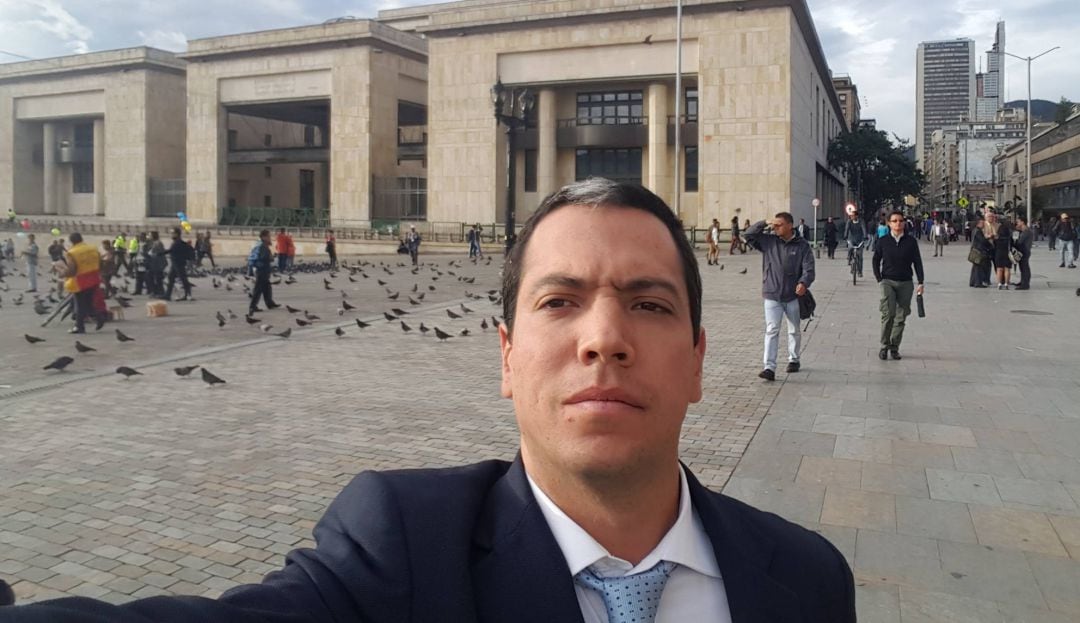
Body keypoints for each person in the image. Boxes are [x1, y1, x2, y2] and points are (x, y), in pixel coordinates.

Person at [0, 179, 854, 622]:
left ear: (699, 362)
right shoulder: (399, 556)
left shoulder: (808, 581)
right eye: (559, 301)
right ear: (507, 355)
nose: (604, 338)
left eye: (650, 303)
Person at [744, 212, 815, 381]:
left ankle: (794, 359)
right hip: (772, 293)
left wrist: (803, 283)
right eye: (774, 225)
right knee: (772, 330)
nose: (775, 228)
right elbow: (748, 235)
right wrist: (764, 222)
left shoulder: (802, 245)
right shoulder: (769, 241)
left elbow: (809, 268)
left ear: (790, 225)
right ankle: (769, 367)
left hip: (793, 295)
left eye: (779, 225)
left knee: (794, 329)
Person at [872, 210, 924, 361]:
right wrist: (879, 279)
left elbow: (917, 261)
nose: (898, 224)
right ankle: (884, 346)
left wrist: (921, 281)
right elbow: (876, 259)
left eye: (901, 221)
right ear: (889, 223)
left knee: (901, 316)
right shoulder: (883, 241)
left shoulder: (911, 241)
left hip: (906, 282)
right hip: (887, 281)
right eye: (894, 221)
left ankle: (894, 347)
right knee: (888, 314)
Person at [60, 232, 105, 334]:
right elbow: (100, 263)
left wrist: (63, 273)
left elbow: (72, 270)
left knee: (80, 305)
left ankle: (79, 326)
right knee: (88, 302)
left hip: (80, 281)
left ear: (71, 241)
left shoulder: (71, 253)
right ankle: (99, 317)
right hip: (94, 277)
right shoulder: (93, 248)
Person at [249, 229, 279, 313]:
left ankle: (270, 303)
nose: (270, 238)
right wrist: (270, 258)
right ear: (263, 237)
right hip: (262, 269)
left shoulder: (261, 245)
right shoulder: (262, 246)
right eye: (268, 236)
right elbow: (263, 257)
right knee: (258, 289)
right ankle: (253, 306)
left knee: (267, 287)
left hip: (263, 269)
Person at [165, 228, 195, 301]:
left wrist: (158, 253)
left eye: (173, 233)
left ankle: (188, 295)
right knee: (171, 278)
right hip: (175, 263)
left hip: (178, 264)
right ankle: (167, 295)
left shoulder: (177, 242)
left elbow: (170, 250)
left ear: (177, 234)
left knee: (183, 279)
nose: (171, 235)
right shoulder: (177, 242)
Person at [968, 217, 993, 288]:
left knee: (975, 266)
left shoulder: (975, 230)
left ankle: (973, 281)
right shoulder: (978, 231)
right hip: (979, 251)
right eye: (982, 223)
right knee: (979, 267)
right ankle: (978, 283)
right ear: (978, 223)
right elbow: (982, 241)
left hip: (975, 250)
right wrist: (989, 239)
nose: (984, 224)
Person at [840, 210, 867, 276]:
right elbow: (847, 229)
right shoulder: (849, 222)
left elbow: (864, 229)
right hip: (851, 239)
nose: (851, 217)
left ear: (856, 216)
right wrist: (845, 236)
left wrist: (865, 236)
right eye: (851, 215)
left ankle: (860, 272)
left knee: (860, 256)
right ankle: (849, 259)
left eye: (853, 215)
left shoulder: (861, 221)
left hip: (859, 240)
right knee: (850, 248)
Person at [1012, 216, 1033, 290]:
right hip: (1023, 251)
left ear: (1022, 222)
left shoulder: (1026, 231)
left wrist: (1015, 238)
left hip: (1025, 251)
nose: (1017, 223)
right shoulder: (1023, 230)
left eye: (1018, 222)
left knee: (1024, 268)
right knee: (1022, 267)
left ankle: (1025, 284)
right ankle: (1022, 281)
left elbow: (1019, 241)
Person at [993, 219, 1013, 290]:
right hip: (1007, 254)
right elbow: (1012, 245)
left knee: (999, 269)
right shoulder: (1009, 238)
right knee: (1007, 269)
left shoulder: (997, 238)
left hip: (999, 253)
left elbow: (994, 246)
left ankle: (999, 284)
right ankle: (1006, 283)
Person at [146, 231, 167, 298]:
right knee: (151, 277)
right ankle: (155, 292)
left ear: (153, 236)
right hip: (153, 263)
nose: (148, 237)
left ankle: (160, 292)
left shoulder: (158, 243)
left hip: (157, 263)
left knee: (157, 278)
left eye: (150, 235)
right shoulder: (153, 243)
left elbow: (159, 253)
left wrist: (151, 254)